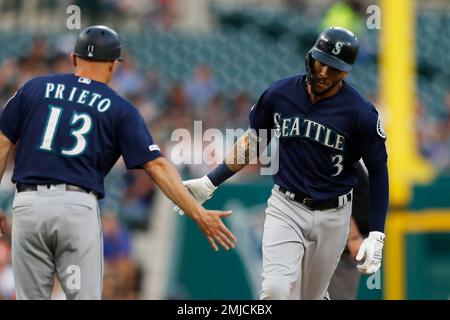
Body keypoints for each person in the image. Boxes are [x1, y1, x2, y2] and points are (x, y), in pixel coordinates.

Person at [0, 25, 236, 300]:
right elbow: (156, 166)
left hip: (29, 207)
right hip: (76, 208)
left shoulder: (34, 88)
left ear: (74, 58)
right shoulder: (119, 108)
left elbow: (3, 142)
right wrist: (198, 213)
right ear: (113, 66)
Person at [177, 27, 389, 299]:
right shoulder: (280, 93)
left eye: (334, 68)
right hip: (286, 206)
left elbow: (379, 170)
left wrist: (377, 234)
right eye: (322, 62)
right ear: (311, 56)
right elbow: (253, 142)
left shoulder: (360, 112)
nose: (324, 72)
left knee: (310, 297)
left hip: (334, 216)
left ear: (346, 72)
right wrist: (210, 181)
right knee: (275, 291)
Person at [328, 160, 369, 300]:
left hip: (346, 242)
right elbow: (332, 198)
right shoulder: (339, 151)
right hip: (339, 244)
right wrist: (353, 236)